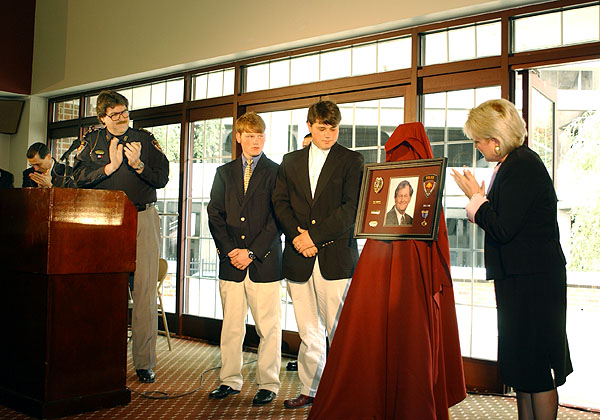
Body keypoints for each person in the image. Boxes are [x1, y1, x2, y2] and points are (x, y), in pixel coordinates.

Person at [308, 122, 466, 420]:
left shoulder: (387, 176)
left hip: (375, 268)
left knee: (370, 335)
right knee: (412, 341)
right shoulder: (426, 182)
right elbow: (441, 244)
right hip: (416, 278)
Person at [451, 99, 572, 420]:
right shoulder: (512, 163)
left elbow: (504, 228)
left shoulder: (523, 165)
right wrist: (480, 198)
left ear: (495, 140)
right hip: (520, 280)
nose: (477, 148)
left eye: (478, 140)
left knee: (537, 366)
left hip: (534, 284)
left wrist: (475, 198)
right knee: (522, 367)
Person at [272, 100, 364, 409]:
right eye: (322, 128)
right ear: (310, 125)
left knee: (340, 330)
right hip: (299, 257)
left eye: (334, 129)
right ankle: (311, 389)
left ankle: (346, 392)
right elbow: (280, 203)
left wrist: (313, 237)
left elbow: (350, 210)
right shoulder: (290, 160)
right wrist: (299, 239)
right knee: (309, 331)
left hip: (335, 257)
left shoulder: (353, 160)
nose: (328, 134)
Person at [73, 90, 169, 384]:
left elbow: (162, 177)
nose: (122, 118)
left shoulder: (145, 138)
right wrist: (109, 168)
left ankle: (144, 362)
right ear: (102, 117)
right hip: (105, 221)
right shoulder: (91, 142)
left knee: (143, 291)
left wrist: (139, 165)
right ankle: (102, 356)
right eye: (114, 114)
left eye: (125, 111)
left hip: (142, 216)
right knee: (104, 290)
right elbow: (76, 177)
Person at [206, 112, 283, 406]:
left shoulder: (276, 172)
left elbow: (277, 219)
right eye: (249, 136)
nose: (255, 141)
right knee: (232, 326)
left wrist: (251, 252)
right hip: (231, 263)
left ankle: (269, 384)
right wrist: (231, 251)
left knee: (269, 328)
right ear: (238, 137)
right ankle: (229, 380)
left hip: (263, 262)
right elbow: (215, 215)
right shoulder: (223, 173)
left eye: (260, 136)